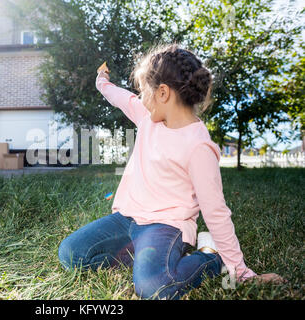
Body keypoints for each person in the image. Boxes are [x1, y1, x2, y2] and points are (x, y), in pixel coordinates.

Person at [58, 44, 285, 300]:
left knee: (155, 287)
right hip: (126, 219)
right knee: (71, 253)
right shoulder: (147, 117)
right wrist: (102, 82)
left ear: (163, 93)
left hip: (165, 227)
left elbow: (215, 212)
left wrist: (240, 272)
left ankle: (211, 260)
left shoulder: (198, 147)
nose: (141, 98)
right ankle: (140, 257)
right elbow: (121, 98)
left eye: (144, 91)